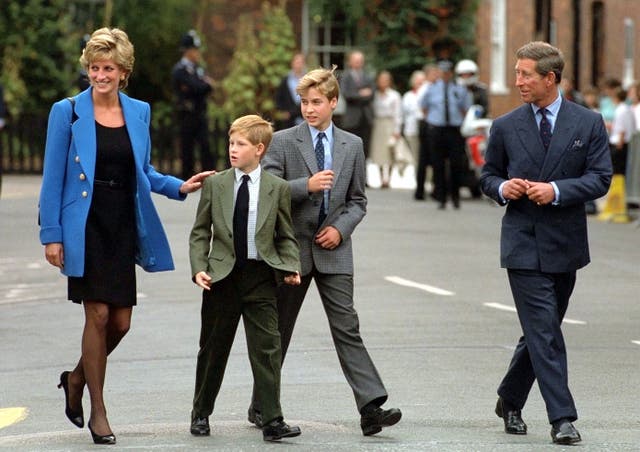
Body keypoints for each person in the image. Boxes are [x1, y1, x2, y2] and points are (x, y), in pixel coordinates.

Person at [38, 27, 213, 445]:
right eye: (94, 68)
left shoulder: (139, 112)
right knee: (95, 315)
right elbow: (52, 177)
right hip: (84, 224)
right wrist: (51, 234)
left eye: (108, 69)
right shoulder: (67, 112)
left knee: (121, 322)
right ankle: (99, 410)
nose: (100, 76)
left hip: (121, 223)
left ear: (124, 72)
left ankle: (77, 377)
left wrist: (178, 186)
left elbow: (144, 171)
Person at [247, 66, 402, 436]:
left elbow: (358, 201)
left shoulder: (352, 145)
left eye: (317, 102)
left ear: (334, 102)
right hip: (290, 250)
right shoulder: (283, 141)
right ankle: (262, 406)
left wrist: (340, 228)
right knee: (279, 332)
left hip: (335, 250)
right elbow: (267, 190)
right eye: (304, 102)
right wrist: (307, 185)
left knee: (347, 327)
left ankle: (370, 408)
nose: (309, 109)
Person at [480, 41, 612, 445]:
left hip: (566, 244)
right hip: (522, 243)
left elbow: (601, 178)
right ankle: (562, 418)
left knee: (542, 331)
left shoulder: (588, 123)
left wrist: (554, 190)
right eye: (517, 73)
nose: (517, 81)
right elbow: (487, 177)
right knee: (545, 332)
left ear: (550, 79)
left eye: (525, 75)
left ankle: (510, 397)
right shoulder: (505, 126)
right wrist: (504, 186)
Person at [188, 114, 302, 442]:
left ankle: (272, 419)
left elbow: (285, 236)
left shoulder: (276, 189)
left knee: (268, 348)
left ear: (259, 149)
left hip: (260, 277)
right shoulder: (216, 184)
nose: (232, 150)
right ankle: (201, 413)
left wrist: (290, 265)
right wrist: (199, 267)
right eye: (231, 143)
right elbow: (200, 233)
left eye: (240, 144)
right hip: (222, 277)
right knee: (213, 349)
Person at [421, 59, 472, 209]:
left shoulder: (459, 89)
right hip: (437, 129)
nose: (445, 75)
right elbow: (424, 107)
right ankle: (441, 197)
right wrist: (433, 121)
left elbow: (465, 108)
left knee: (456, 164)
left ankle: (455, 196)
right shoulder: (431, 89)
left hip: (454, 130)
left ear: (451, 73)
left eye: (447, 72)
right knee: (438, 164)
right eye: (442, 72)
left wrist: (459, 121)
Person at [171, 30, 215, 179]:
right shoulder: (180, 70)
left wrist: (203, 85)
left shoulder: (197, 68)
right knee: (187, 148)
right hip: (186, 114)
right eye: (194, 50)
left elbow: (205, 87)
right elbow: (200, 87)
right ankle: (187, 177)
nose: (197, 53)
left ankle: (209, 177)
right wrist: (203, 85)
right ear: (187, 51)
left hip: (200, 113)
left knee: (205, 146)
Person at [370, 70, 403, 188]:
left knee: (390, 151)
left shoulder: (394, 95)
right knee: (379, 151)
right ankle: (380, 178)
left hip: (389, 123)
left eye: (386, 80)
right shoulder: (375, 95)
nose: (383, 82)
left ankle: (388, 178)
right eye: (381, 80)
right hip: (378, 123)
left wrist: (397, 130)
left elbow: (398, 113)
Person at [340, 50, 375, 160]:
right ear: (350, 62)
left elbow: (372, 94)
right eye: (356, 60)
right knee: (350, 151)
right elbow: (346, 95)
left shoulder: (368, 76)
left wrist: (357, 95)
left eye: (360, 60)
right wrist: (361, 94)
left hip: (366, 118)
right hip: (352, 119)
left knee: (365, 151)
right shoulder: (345, 76)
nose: (358, 63)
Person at [414, 63, 440, 200]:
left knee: (434, 158)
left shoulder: (435, 87)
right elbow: (422, 107)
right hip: (426, 124)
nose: (436, 76)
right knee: (424, 158)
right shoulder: (426, 88)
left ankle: (434, 189)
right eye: (434, 73)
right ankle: (420, 190)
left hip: (430, 123)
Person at [401, 70, 426, 169]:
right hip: (411, 130)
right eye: (418, 81)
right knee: (415, 155)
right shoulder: (408, 96)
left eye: (422, 81)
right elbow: (403, 113)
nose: (420, 83)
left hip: (425, 129)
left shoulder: (428, 94)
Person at [274, 53, 306, 130]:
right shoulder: (285, 80)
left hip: (304, 117)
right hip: (288, 120)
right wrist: (282, 112)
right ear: (292, 63)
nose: (299, 65)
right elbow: (279, 97)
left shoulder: (308, 79)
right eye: (297, 62)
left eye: (301, 62)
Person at [609, 86, 636, 175]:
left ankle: (618, 188)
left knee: (617, 170)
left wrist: (619, 145)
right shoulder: (627, 109)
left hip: (619, 144)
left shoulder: (620, 110)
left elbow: (622, 129)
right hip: (625, 143)